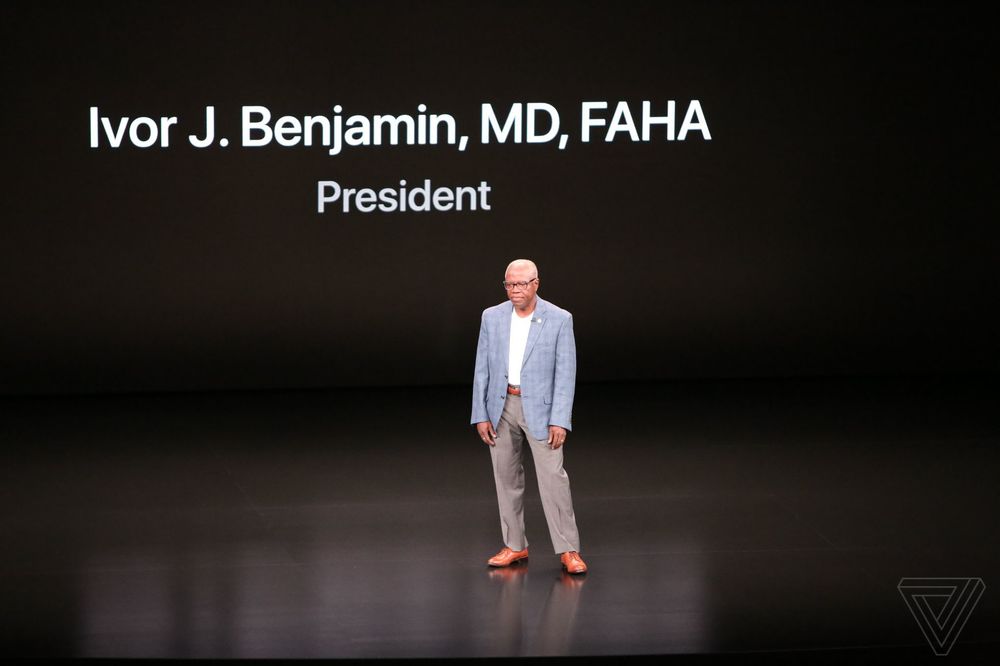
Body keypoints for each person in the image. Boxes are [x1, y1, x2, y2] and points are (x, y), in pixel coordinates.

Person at [471, 259, 587, 575]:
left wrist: (560, 419)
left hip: (542, 409)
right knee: (506, 478)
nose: (515, 290)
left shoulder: (559, 318)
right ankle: (514, 544)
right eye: (509, 284)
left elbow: (566, 373)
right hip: (500, 405)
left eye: (521, 284)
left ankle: (569, 549)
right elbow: (482, 367)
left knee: (553, 480)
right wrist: (480, 413)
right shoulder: (492, 317)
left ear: (536, 283)